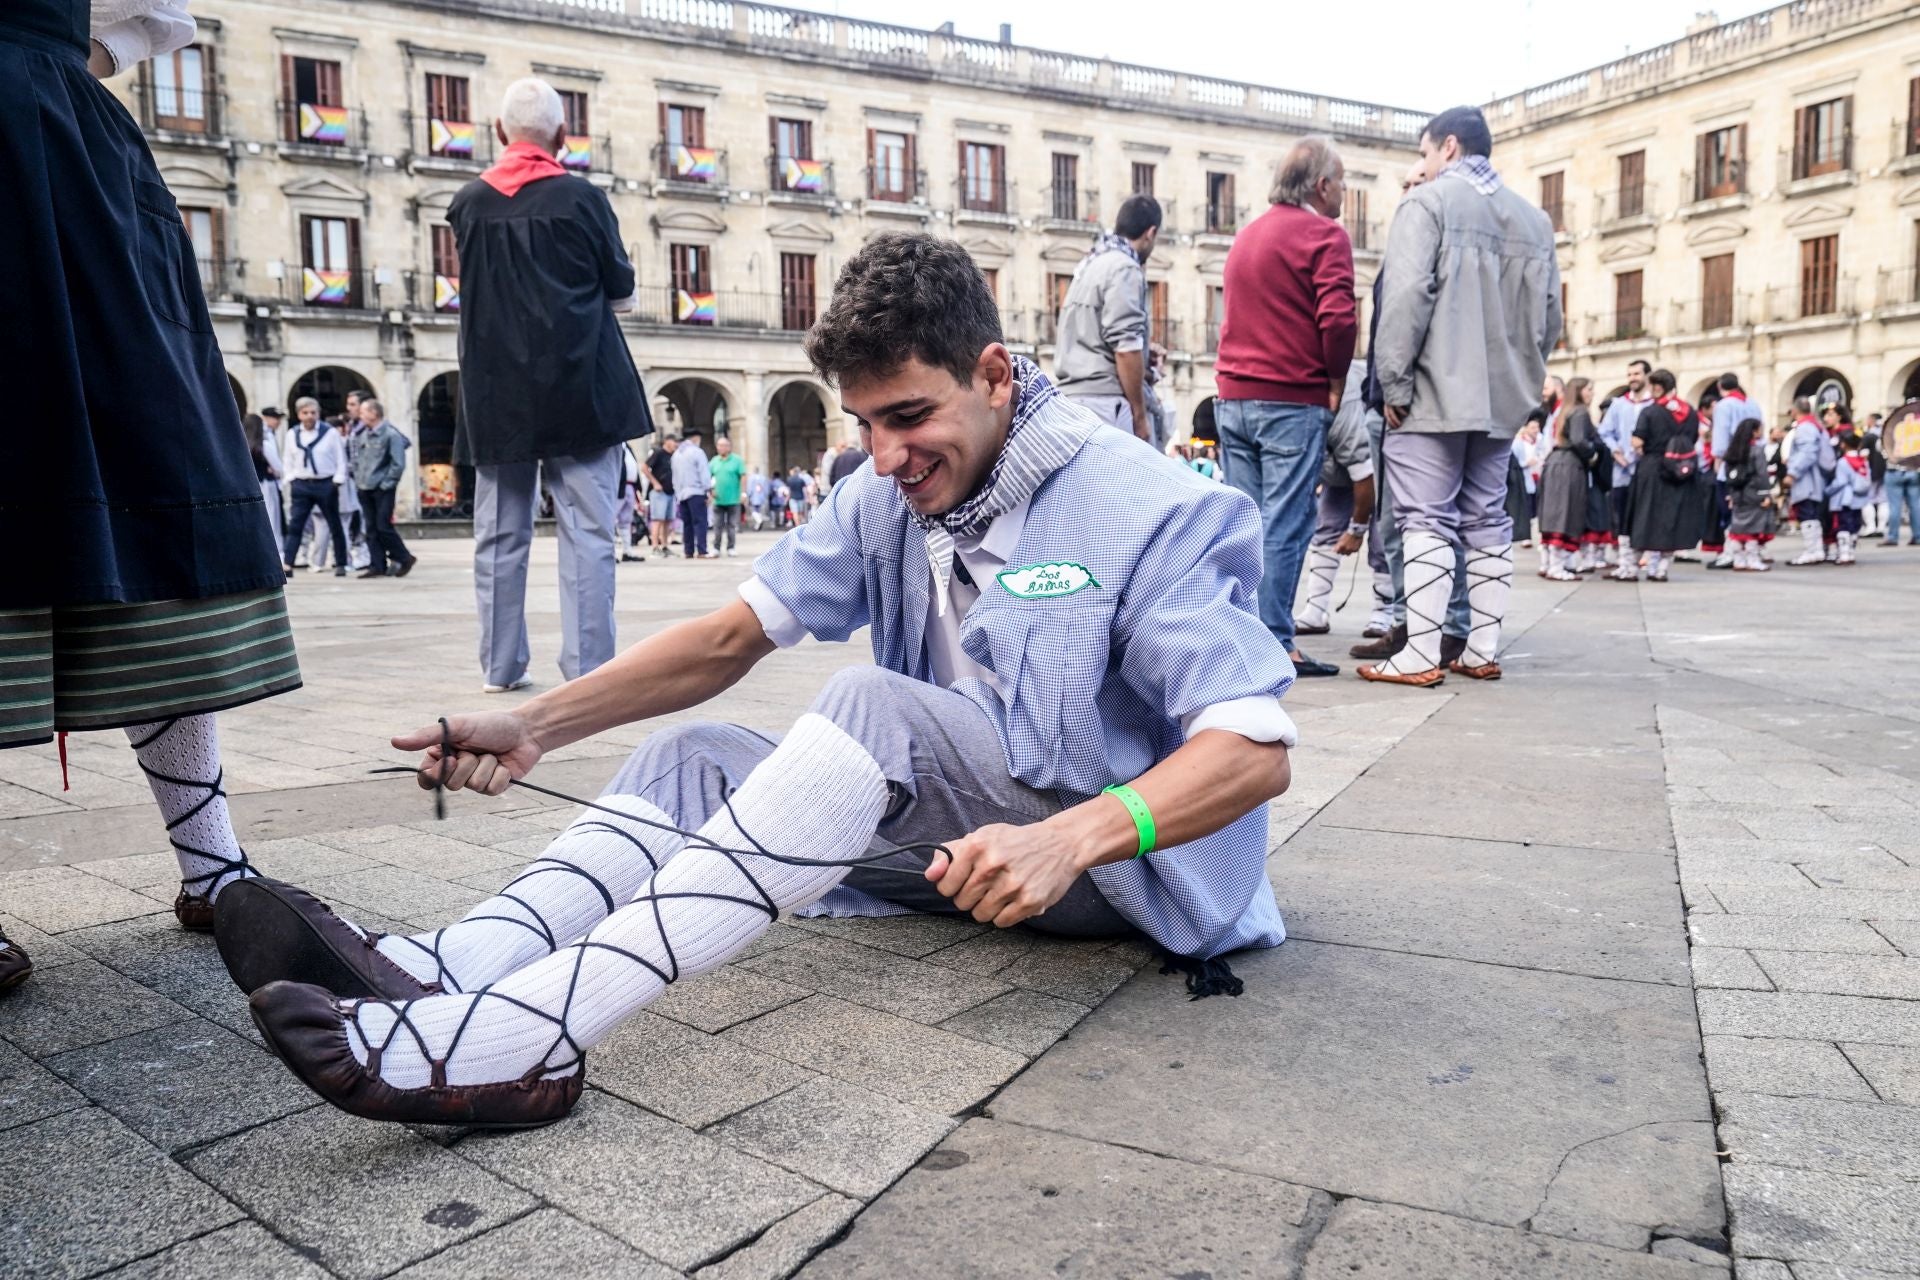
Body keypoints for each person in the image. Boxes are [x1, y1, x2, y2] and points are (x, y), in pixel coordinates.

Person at [219, 231, 1300, 1127]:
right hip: (963, 857)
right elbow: (727, 638)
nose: (884, 456)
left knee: (873, 705)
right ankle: (449, 966)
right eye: (864, 423)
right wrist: (538, 720)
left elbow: (1252, 751)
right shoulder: (890, 491)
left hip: (1110, 875)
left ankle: (524, 1035)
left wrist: (1068, 837)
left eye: (910, 416)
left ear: (994, 373)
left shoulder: (1151, 504)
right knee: (694, 753)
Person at [0, 0, 305, 994]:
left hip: (50, 136)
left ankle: (213, 863)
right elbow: (129, 23)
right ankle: (213, 866)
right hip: (50, 126)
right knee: (132, 478)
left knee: (146, 494)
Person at [450, 78, 653, 694]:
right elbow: (620, 291)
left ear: (498, 132)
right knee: (588, 531)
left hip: (496, 390)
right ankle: (589, 669)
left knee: (498, 534)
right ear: (563, 138)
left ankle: (500, 667)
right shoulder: (581, 199)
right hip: (581, 381)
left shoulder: (467, 204)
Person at [1362, 106, 1560, 686]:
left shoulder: (1427, 203)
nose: (1423, 165)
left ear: (1448, 148)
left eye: (1425, 153)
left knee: (1424, 517)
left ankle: (1421, 653)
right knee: (1486, 519)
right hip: (1502, 401)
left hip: (1431, 393)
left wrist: (1392, 381)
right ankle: (1479, 650)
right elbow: (1550, 320)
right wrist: (1524, 380)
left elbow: (1403, 297)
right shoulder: (1536, 220)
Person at [1216, 136, 1358, 679]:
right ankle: (1275, 640)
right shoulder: (1324, 234)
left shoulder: (1247, 235)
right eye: (1341, 182)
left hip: (1234, 397)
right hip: (1290, 396)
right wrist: (1336, 380)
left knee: (1242, 522)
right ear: (1322, 186)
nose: (1343, 193)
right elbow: (1339, 319)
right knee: (1287, 522)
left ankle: (1235, 636)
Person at [1351, 157, 1472, 668]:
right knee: (1393, 525)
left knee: (1431, 521)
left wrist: (1395, 390)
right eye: (1403, 184)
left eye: (1417, 181)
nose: (1407, 191)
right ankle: (1410, 621)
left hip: (1410, 404)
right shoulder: (1407, 244)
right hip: (1388, 401)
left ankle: (1447, 627)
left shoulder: (1437, 246)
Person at [1052, 194, 1161, 439]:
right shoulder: (1124, 268)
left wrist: (1144, 357)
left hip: (1075, 399)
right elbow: (1125, 347)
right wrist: (1140, 415)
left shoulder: (1090, 264)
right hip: (1106, 404)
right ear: (1150, 233)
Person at [1294, 360, 1376, 637]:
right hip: (1336, 467)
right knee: (1325, 526)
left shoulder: (1346, 408)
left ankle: (1385, 612)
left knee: (1383, 535)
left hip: (1376, 463)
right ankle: (1315, 610)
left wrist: (1357, 529)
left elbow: (1366, 475)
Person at [1619, 369, 1706, 583]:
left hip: (1653, 469)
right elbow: (1694, 439)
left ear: (1656, 387)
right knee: (1672, 520)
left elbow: (1637, 443)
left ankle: (1631, 569)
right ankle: (1660, 569)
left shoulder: (1650, 412)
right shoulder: (1690, 412)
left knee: (1643, 518)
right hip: (1681, 471)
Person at [281, 398, 351, 578]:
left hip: (325, 483)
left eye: (313, 412)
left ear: (318, 414)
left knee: (334, 524)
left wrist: (337, 480)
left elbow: (340, 458)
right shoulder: (292, 434)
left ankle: (341, 563)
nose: (310, 416)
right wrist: (291, 478)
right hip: (302, 484)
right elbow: (288, 459)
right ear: (298, 415)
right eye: (305, 413)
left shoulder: (330, 433)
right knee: (296, 525)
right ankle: (288, 564)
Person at [1537, 378, 1597, 580]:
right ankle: (1557, 566)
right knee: (1565, 512)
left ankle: (1551, 563)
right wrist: (1592, 454)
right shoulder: (1579, 411)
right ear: (1580, 391)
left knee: (1554, 512)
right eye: (1589, 389)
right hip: (1569, 465)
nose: (1592, 393)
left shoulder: (1563, 411)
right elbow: (1580, 440)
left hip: (1555, 462)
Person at [349, 398, 416, 579]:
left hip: (382, 488)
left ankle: (404, 556)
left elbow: (398, 463)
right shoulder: (363, 434)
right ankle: (377, 565)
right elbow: (359, 460)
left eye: (363, 412)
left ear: (374, 413)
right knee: (371, 528)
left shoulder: (390, 434)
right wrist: (358, 481)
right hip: (365, 487)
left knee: (383, 526)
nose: (360, 415)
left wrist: (386, 483)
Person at [1600, 360, 1654, 577]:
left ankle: (1646, 559)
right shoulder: (1618, 404)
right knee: (1621, 516)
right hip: (1621, 472)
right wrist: (1615, 451)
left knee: (1646, 514)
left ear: (1647, 376)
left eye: (1637, 374)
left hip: (1647, 471)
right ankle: (1625, 563)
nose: (1632, 378)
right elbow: (1605, 432)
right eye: (1629, 374)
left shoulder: (1654, 405)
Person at [1704, 373, 1763, 570]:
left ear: (1721, 387)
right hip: (1752, 463)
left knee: (1728, 509)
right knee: (1749, 508)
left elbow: (1721, 436)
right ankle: (1750, 550)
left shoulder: (1723, 406)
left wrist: (1717, 459)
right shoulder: (1752, 404)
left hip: (1731, 464)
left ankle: (1731, 551)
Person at [1784, 399, 1835, 566]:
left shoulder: (1805, 427)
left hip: (1808, 478)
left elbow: (1808, 452)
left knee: (1807, 514)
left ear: (1794, 410)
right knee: (1811, 514)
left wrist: (1793, 473)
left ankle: (1812, 551)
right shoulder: (1816, 426)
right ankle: (1816, 549)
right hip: (1815, 477)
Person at [1724, 414, 1775, 572]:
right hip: (1754, 494)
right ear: (1753, 432)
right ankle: (1752, 559)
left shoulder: (1732, 450)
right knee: (1753, 529)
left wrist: (1731, 494)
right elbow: (1762, 474)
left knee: (1738, 528)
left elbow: (1728, 474)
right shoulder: (1756, 451)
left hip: (1738, 494)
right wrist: (1766, 494)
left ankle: (1739, 560)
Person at [1828, 423, 1870, 565]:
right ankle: (1851, 552)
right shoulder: (1863, 462)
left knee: (1843, 525)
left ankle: (1844, 553)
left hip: (1844, 499)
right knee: (1854, 526)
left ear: (1843, 445)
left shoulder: (1843, 462)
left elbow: (1840, 482)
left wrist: (1828, 491)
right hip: (1859, 499)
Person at [245, 413, 284, 546]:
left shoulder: (241, 446)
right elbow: (279, 468)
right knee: (272, 518)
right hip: (266, 484)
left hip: (249, 486)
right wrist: (274, 471)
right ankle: (276, 549)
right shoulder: (264, 445)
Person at [673, 429, 713, 559]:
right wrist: (708, 490)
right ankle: (702, 550)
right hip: (696, 492)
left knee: (687, 523)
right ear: (696, 438)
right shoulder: (697, 452)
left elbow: (675, 477)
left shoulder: (676, 454)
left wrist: (677, 493)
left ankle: (688, 550)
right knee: (700, 522)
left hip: (682, 493)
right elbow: (704, 473)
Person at [1884, 405, 1920, 547]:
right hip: (1912, 469)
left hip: (1894, 468)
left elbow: (1881, 446)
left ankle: (1893, 536)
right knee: (1915, 505)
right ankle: (1917, 535)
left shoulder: (1894, 427)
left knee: (1895, 506)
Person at [709, 435, 746, 557]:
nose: (721, 448)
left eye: (724, 445)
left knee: (731, 525)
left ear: (729, 447)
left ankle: (731, 547)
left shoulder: (737, 460)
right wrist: (710, 491)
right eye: (719, 445)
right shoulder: (714, 461)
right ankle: (716, 547)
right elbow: (708, 478)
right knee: (717, 525)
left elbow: (743, 477)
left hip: (733, 499)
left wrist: (743, 493)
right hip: (718, 499)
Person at [646, 434, 678, 556]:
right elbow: (645, 467)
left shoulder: (673, 456)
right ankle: (655, 546)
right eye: (673, 441)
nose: (675, 444)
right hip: (659, 492)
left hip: (670, 491)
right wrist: (655, 483)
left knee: (668, 520)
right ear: (667, 442)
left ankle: (665, 546)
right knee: (657, 519)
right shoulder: (658, 453)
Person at [615, 443, 644, 562]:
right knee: (612, 519)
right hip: (618, 487)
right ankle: (609, 552)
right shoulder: (614, 445)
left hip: (630, 486)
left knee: (626, 521)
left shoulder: (627, 447)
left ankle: (627, 550)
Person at [747, 466, 770, 531]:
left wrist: (748, 495)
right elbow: (766, 488)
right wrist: (765, 495)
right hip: (761, 496)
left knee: (753, 510)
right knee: (758, 510)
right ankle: (757, 526)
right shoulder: (763, 478)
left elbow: (749, 488)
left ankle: (759, 521)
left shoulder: (751, 478)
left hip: (754, 496)